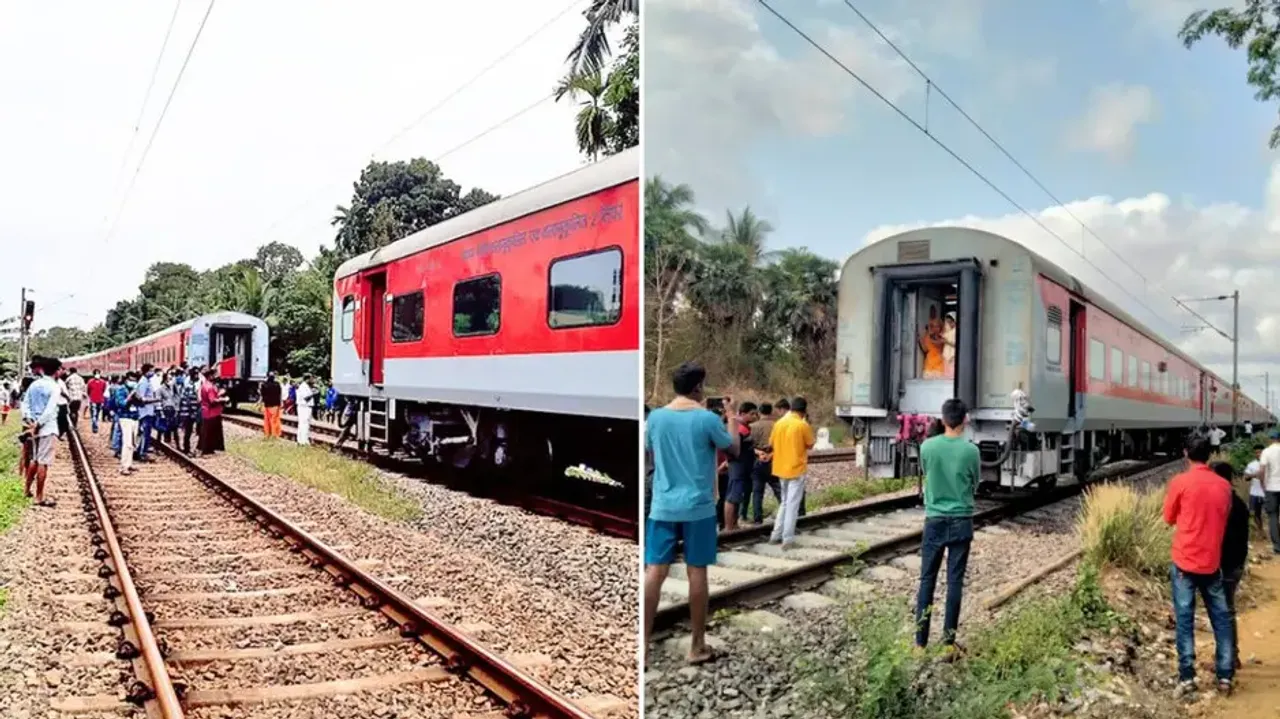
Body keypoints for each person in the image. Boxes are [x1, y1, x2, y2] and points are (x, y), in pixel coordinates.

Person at [643, 361, 739, 664]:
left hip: (662, 506)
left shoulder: (656, 418)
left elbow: (649, 452)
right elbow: (734, 450)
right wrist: (732, 417)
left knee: (654, 572)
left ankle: (641, 648)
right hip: (698, 508)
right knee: (696, 571)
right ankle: (696, 646)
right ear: (697, 387)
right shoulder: (706, 419)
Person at [1163, 432, 1235, 696]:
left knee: (1184, 620)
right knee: (1222, 618)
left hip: (1184, 563)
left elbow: (1168, 518)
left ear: (1185, 453)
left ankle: (1187, 677)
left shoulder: (1179, 482)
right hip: (1212, 564)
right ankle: (1225, 676)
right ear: (1210, 454)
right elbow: (1223, 519)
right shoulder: (1224, 486)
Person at [914, 398, 980, 652]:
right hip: (962, 520)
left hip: (934, 520)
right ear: (964, 420)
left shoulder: (927, 448)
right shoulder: (971, 451)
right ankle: (948, 643)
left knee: (927, 580)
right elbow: (975, 484)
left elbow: (926, 473)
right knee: (954, 582)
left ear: (943, 420)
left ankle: (920, 644)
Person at [1210, 461, 1250, 671]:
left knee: (1222, 612)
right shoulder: (1240, 503)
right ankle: (1230, 655)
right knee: (1227, 610)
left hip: (1222, 565)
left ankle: (1227, 659)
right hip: (1236, 564)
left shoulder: (1221, 505)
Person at [769, 396, 815, 547]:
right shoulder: (802, 425)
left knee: (784, 502)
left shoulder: (779, 423)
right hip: (796, 469)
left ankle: (775, 535)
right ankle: (787, 539)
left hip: (780, 468)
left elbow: (771, 443)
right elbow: (810, 445)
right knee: (793, 505)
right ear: (803, 411)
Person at [20, 356, 62, 507]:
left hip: (33, 427)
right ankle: (39, 497)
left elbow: (25, 404)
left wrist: (30, 421)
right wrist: (39, 424)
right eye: (60, 369)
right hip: (47, 428)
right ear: (56, 371)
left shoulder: (34, 384)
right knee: (43, 462)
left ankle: (26, 489)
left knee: (34, 459)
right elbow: (50, 410)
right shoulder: (55, 387)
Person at [722, 401, 756, 531]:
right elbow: (730, 448)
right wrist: (729, 461)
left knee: (737, 497)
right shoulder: (738, 429)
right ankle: (729, 527)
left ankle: (734, 524)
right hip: (738, 467)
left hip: (743, 467)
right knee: (732, 497)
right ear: (742, 414)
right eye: (751, 414)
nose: (755, 417)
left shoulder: (745, 428)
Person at [748, 402, 782, 524]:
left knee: (757, 492)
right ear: (771, 411)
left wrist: (759, 453)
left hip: (757, 460)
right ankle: (784, 514)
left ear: (759, 412)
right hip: (773, 460)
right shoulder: (777, 425)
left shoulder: (752, 426)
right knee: (778, 489)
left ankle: (757, 518)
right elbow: (780, 444)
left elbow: (749, 444)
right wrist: (770, 455)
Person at [114, 373, 142, 475]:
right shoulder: (121, 390)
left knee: (133, 443)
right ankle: (124, 466)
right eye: (131, 380)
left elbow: (140, 403)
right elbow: (121, 404)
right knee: (127, 443)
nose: (133, 382)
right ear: (126, 380)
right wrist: (130, 396)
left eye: (135, 380)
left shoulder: (134, 390)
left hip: (134, 417)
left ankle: (129, 464)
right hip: (125, 418)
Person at [198, 368, 228, 455]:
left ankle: (206, 449)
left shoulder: (205, 385)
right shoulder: (210, 387)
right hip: (212, 412)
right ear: (210, 376)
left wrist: (219, 394)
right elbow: (212, 401)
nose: (215, 376)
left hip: (206, 411)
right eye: (214, 375)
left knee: (206, 432)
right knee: (211, 432)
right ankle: (208, 450)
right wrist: (223, 399)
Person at [176, 367, 201, 455]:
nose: (197, 376)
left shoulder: (189, 384)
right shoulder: (189, 386)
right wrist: (193, 412)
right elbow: (190, 400)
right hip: (188, 412)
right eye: (195, 374)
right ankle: (188, 448)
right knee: (189, 431)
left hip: (187, 412)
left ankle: (187, 448)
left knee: (188, 431)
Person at [920, 306, 946, 379]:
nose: (935, 328)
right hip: (929, 364)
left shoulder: (942, 337)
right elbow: (925, 349)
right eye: (933, 326)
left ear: (940, 327)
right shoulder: (927, 336)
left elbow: (938, 344)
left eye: (937, 326)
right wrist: (921, 340)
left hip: (939, 365)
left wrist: (927, 333)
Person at [1245, 446, 1265, 531]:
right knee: (1255, 513)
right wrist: (1254, 475)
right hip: (1254, 493)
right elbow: (1246, 477)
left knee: (1271, 513)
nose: (1258, 454)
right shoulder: (1251, 464)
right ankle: (1260, 532)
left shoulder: (1270, 463)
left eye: (1260, 452)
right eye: (1256, 452)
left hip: (1267, 493)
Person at [158, 371, 179, 444]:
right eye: (168, 379)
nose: (170, 380)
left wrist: (176, 408)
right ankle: (165, 441)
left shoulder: (173, 387)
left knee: (174, 427)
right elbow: (158, 400)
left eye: (171, 379)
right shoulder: (161, 388)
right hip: (165, 409)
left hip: (172, 408)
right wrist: (161, 412)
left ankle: (176, 443)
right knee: (165, 427)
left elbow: (177, 396)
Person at [261, 372, 283, 438]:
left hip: (267, 405)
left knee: (267, 420)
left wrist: (261, 403)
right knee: (275, 420)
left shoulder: (264, 385)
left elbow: (263, 395)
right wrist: (281, 403)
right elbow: (280, 394)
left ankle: (268, 433)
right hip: (276, 404)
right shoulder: (277, 384)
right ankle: (275, 434)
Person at [86, 369, 107, 434]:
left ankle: (95, 425)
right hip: (94, 400)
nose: (97, 375)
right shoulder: (101, 382)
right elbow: (88, 391)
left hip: (99, 400)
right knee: (95, 414)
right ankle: (95, 426)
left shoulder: (102, 382)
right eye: (96, 373)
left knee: (96, 414)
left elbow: (88, 391)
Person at [296, 374, 315, 445]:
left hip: (304, 407)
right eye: (311, 379)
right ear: (307, 379)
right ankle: (304, 441)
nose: (312, 380)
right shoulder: (303, 386)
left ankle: (301, 440)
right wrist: (313, 393)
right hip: (304, 407)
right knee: (305, 424)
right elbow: (306, 398)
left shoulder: (306, 386)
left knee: (302, 424)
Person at [54, 369, 70, 439]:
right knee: (62, 420)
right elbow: (62, 392)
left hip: (60, 402)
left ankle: (60, 433)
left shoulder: (60, 381)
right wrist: (68, 398)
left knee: (61, 419)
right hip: (59, 403)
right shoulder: (59, 382)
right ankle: (60, 433)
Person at [942, 313, 957, 380]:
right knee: (946, 376)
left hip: (952, 356)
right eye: (947, 322)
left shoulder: (956, 331)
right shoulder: (947, 331)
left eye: (950, 322)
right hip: (946, 356)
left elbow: (957, 344)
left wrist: (946, 342)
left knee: (951, 376)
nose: (949, 324)